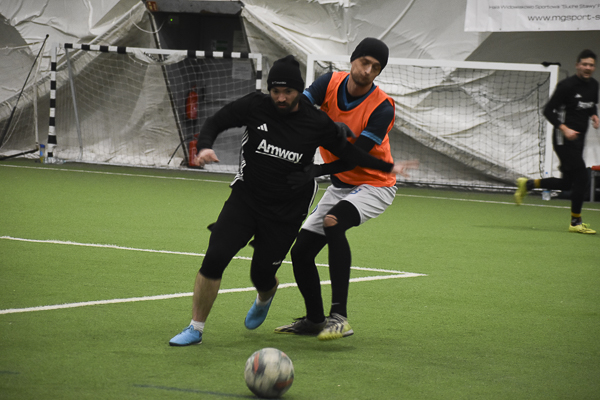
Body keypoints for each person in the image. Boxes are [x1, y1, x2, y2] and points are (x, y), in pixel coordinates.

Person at [169, 55, 411, 346]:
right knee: (215, 257)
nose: (281, 98)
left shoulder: (322, 121)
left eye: (288, 91)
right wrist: (205, 146)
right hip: (246, 197)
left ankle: (269, 294)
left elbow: (352, 155)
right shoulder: (255, 105)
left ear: (298, 91)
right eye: (275, 91)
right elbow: (217, 120)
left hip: (289, 208)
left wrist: (387, 166)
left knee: (262, 273)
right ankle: (195, 328)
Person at [273, 38, 417, 340]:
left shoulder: (383, 107)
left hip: (374, 185)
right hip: (342, 185)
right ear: (353, 59)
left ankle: (340, 317)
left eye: (375, 67)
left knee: (333, 221)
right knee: (301, 252)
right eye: (364, 62)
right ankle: (315, 320)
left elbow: (354, 157)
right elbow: (300, 109)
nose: (367, 71)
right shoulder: (329, 82)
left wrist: (316, 171)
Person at [514, 49, 599, 234]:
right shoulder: (566, 86)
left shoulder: (594, 85)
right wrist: (564, 128)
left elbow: (591, 105)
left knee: (567, 184)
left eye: (591, 65)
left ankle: (528, 184)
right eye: (584, 64)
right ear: (577, 65)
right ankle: (575, 222)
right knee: (582, 178)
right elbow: (548, 111)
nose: (587, 67)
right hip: (562, 139)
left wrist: (594, 116)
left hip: (579, 139)